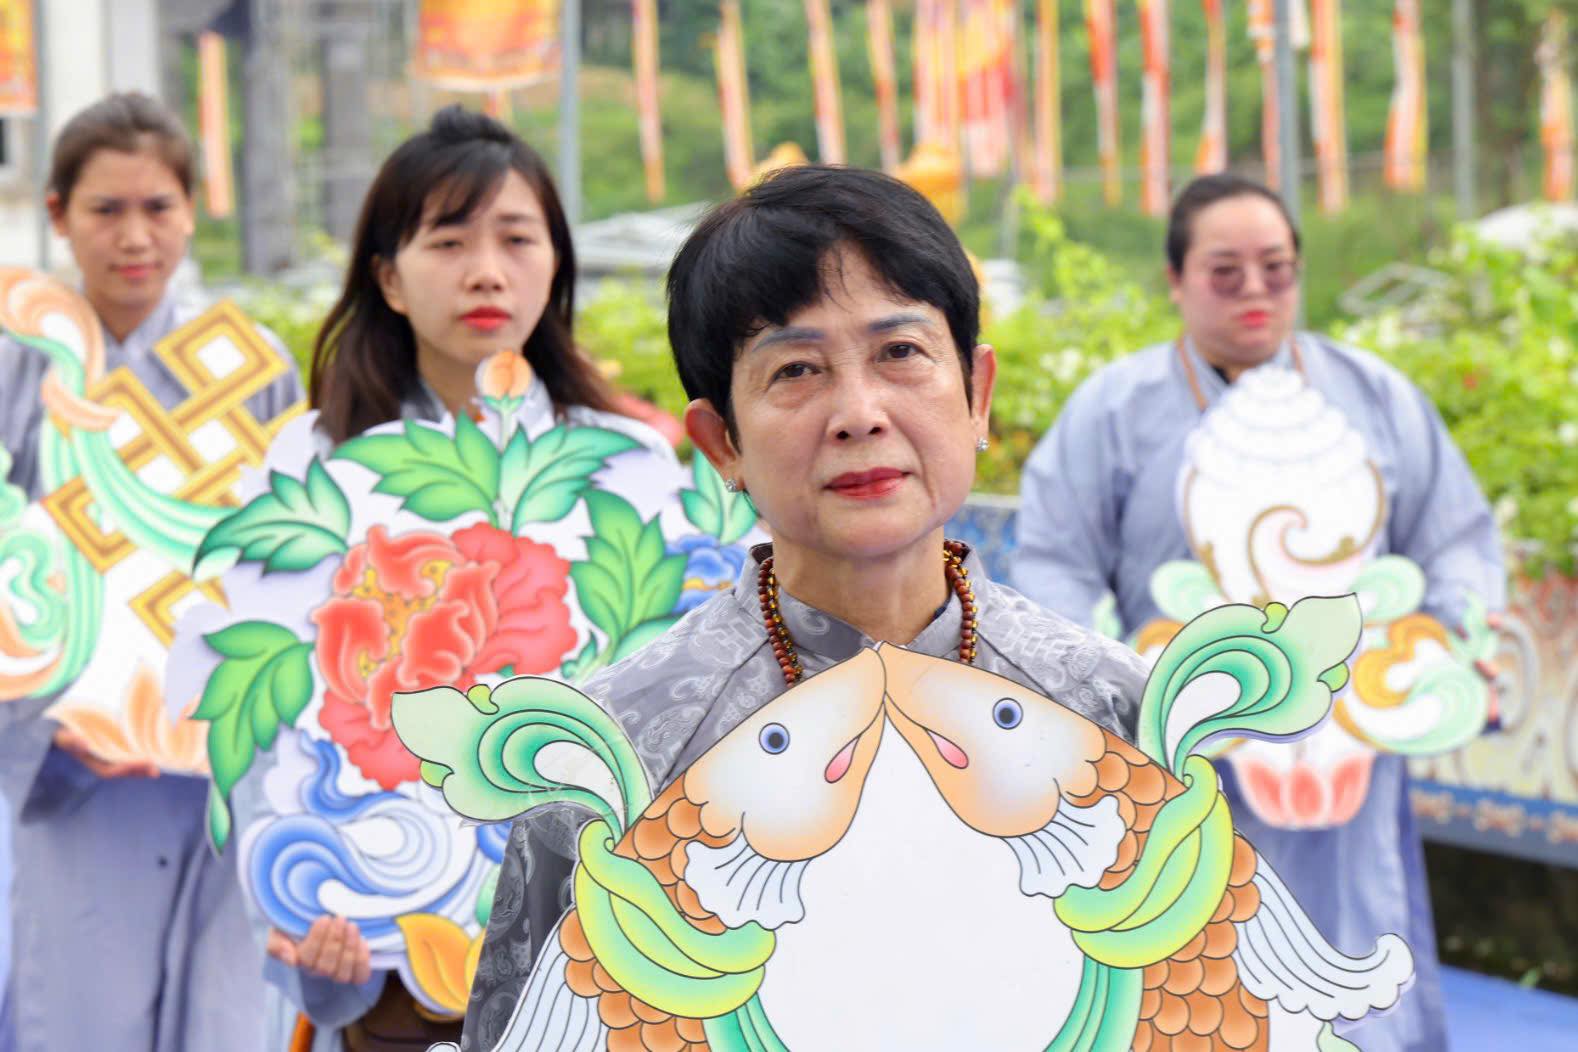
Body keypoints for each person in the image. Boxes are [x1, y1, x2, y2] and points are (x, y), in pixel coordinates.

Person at [459, 164, 1152, 1049]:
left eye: (900, 353)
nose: (859, 413)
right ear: (722, 444)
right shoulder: (611, 754)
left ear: (977, 394)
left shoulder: (1112, 712)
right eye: (796, 369)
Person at [1012, 172, 1504, 1052]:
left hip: (1345, 745)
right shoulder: (1113, 412)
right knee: (1197, 966)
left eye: (1276, 269)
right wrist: (1117, 687)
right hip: (1183, 754)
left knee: (1359, 952)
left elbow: (1455, 536)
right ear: (1176, 279)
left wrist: (1452, 647)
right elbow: (1056, 558)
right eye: (1225, 271)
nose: (1255, 291)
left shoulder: (1375, 396)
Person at [250, 104, 673, 1052]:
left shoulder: (631, 465)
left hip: (593, 968)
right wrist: (301, 907)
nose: (487, 270)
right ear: (388, 278)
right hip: (395, 970)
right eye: (449, 241)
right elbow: (272, 723)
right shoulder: (314, 467)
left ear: (555, 263)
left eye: (517, 238)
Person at [0, 92, 302, 1050]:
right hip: (64, 762)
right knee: (78, 1011)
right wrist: (53, 721)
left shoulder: (252, 368)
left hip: (219, 749)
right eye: (106, 209)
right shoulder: (17, 368)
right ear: (58, 214)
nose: (135, 237)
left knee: (219, 1014)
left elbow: (290, 556)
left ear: (190, 210)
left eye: (158, 207)